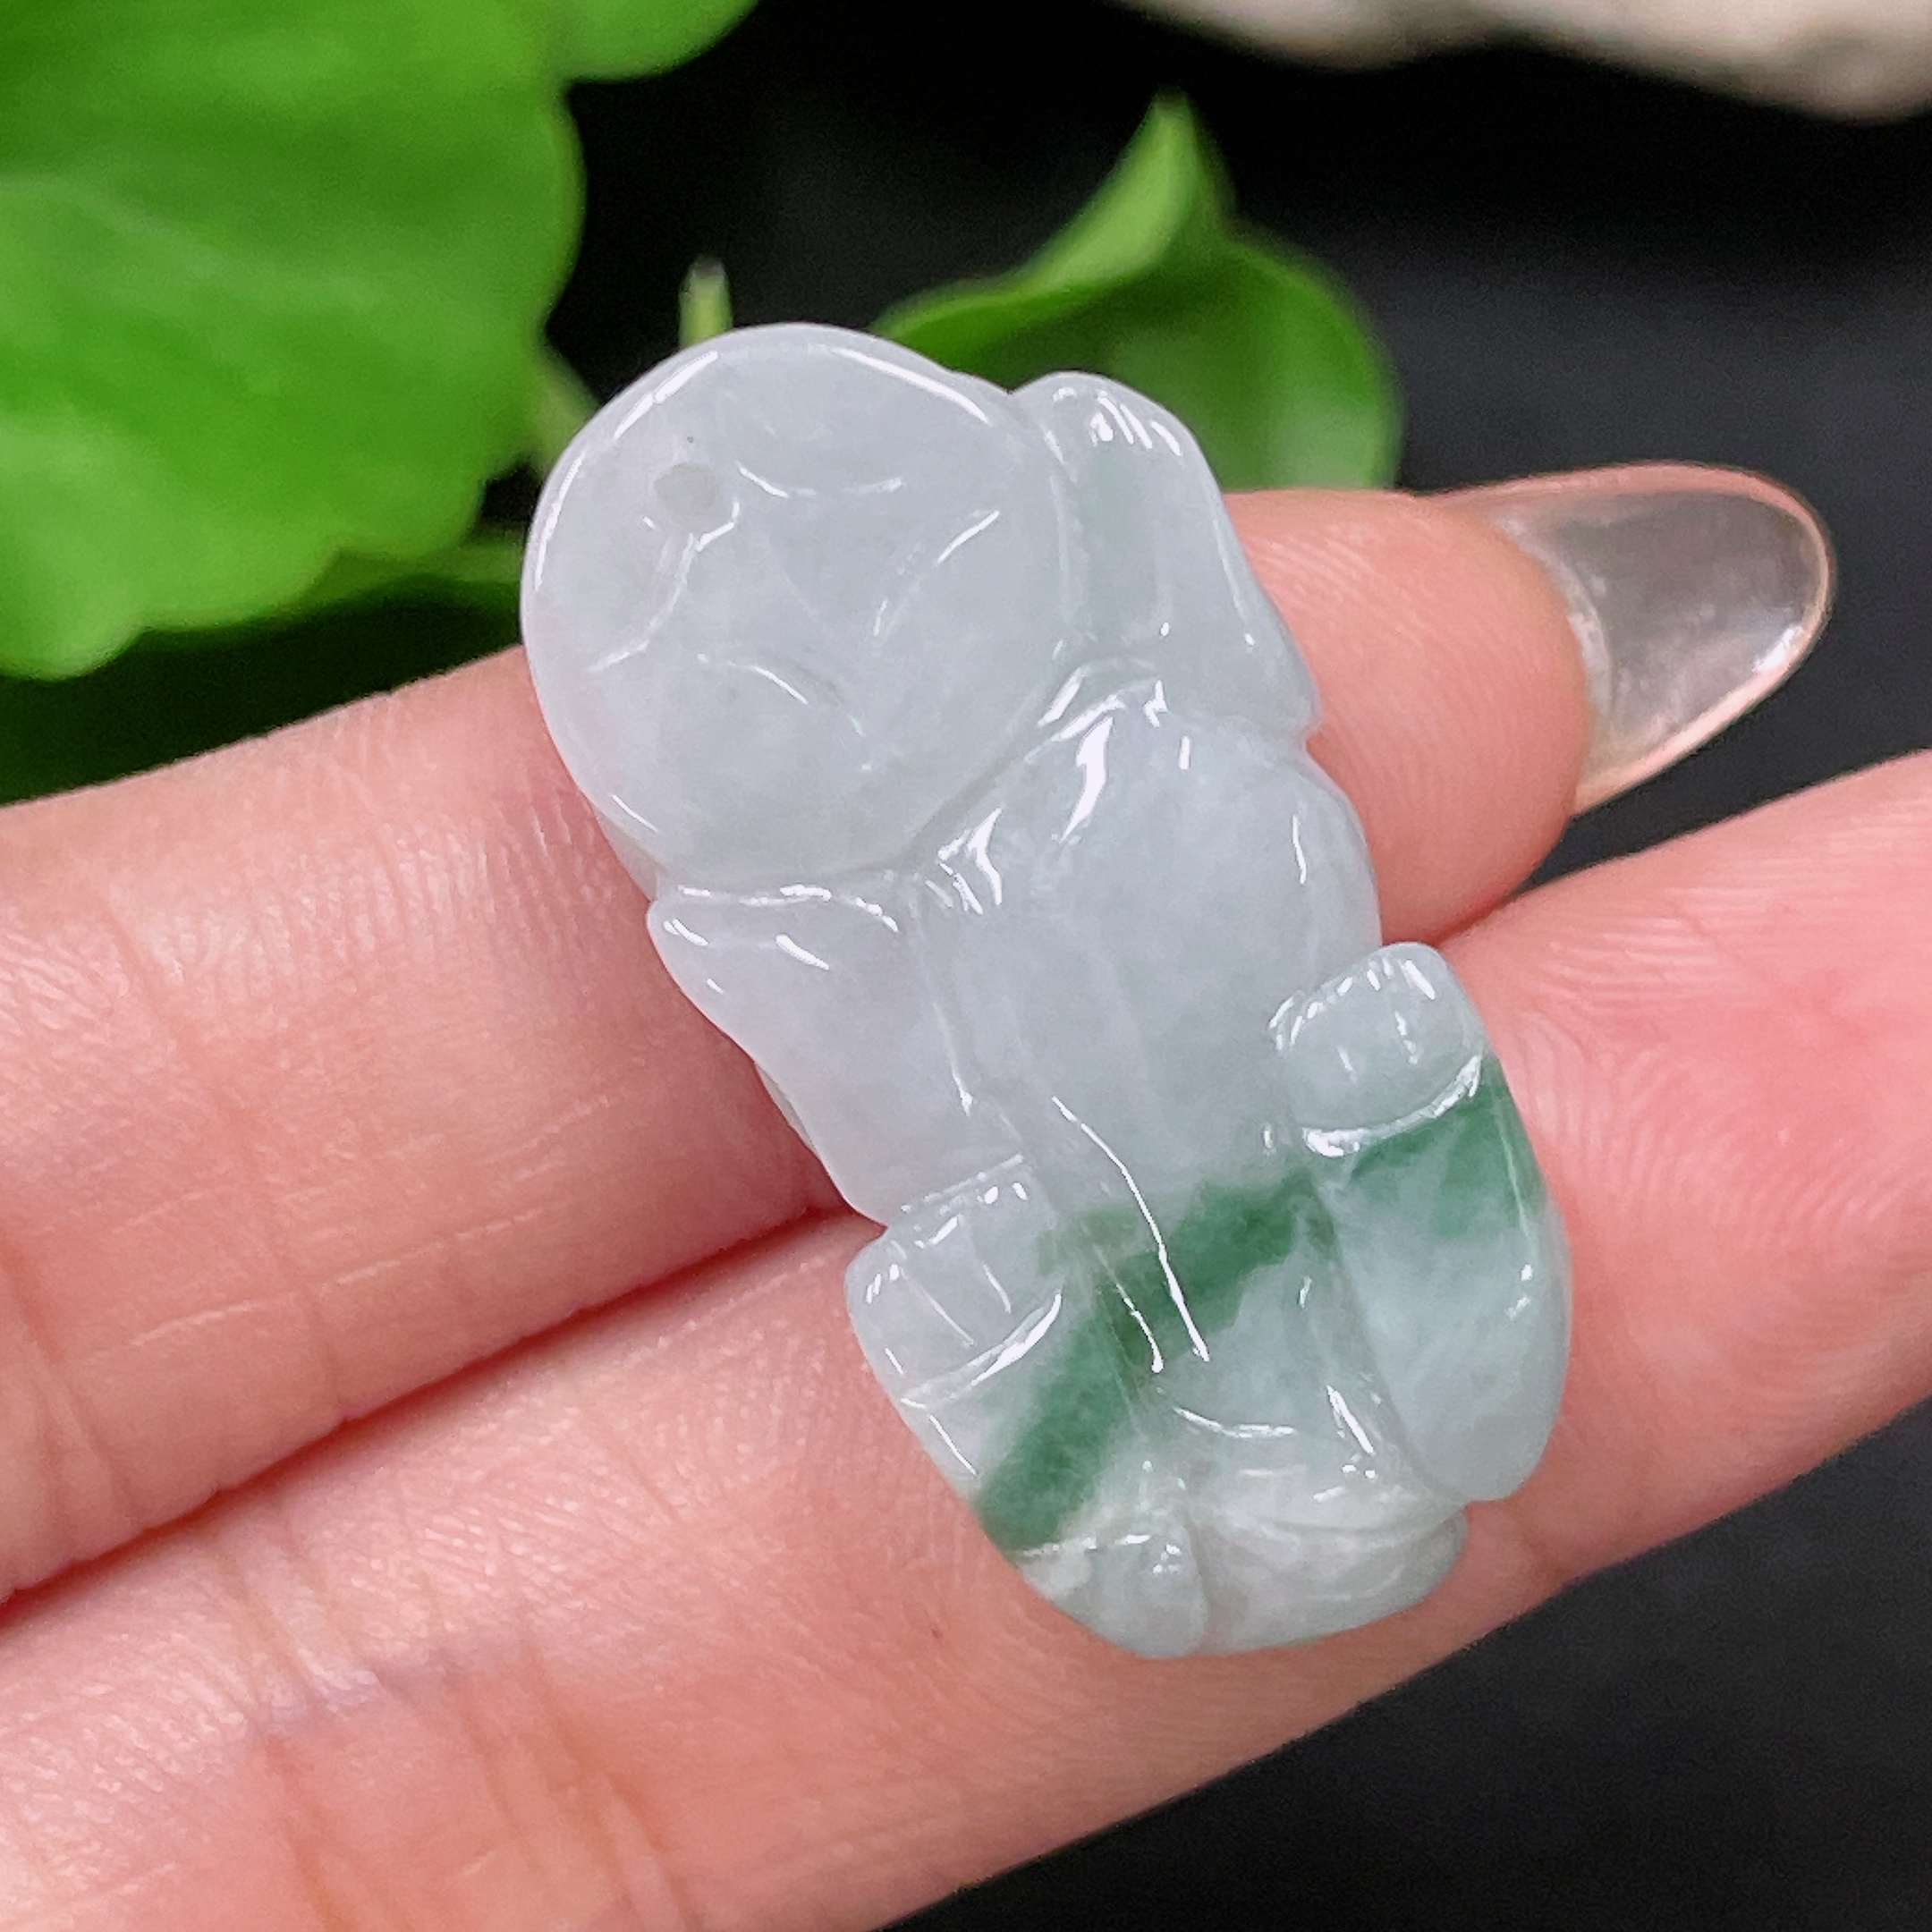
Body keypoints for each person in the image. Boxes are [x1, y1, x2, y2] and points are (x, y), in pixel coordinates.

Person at [0, 471, 1921, 1930]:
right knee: (1012, 1290)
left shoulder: (1111, 630)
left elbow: (1231, 715)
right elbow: (868, 1086)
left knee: (1376, 1077)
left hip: (1266, 1102)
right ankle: (1233, 1469)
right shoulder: (796, 917)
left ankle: (1317, 1418)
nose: (787, 606)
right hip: (1084, 1229)